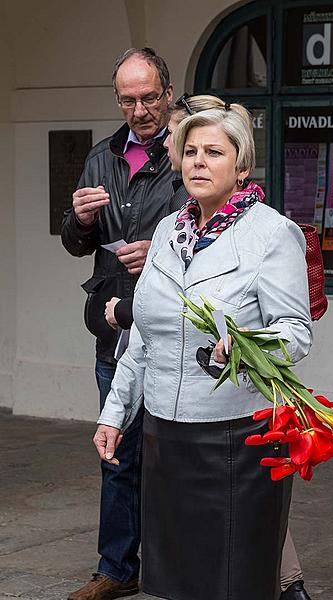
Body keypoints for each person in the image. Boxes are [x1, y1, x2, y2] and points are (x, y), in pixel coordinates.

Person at [94, 105, 313, 600]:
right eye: (190, 151)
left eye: (213, 152)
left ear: (240, 166)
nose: (198, 161)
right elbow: (145, 338)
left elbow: (296, 333)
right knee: (178, 582)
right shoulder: (171, 231)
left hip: (239, 438)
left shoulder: (271, 233)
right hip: (165, 439)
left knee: (234, 582)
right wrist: (114, 415)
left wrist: (247, 345)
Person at [61, 47, 179, 600]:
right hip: (114, 322)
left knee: (180, 455)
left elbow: (217, 225)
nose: (139, 110)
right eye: (128, 100)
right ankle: (115, 568)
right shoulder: (101, 155)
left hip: (177, 328)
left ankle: (179, 567)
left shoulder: (189, 152)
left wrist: (159, 251)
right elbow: (74, 241)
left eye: (148, 97)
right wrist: (80, 219)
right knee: (117, 449)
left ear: (168, 93)